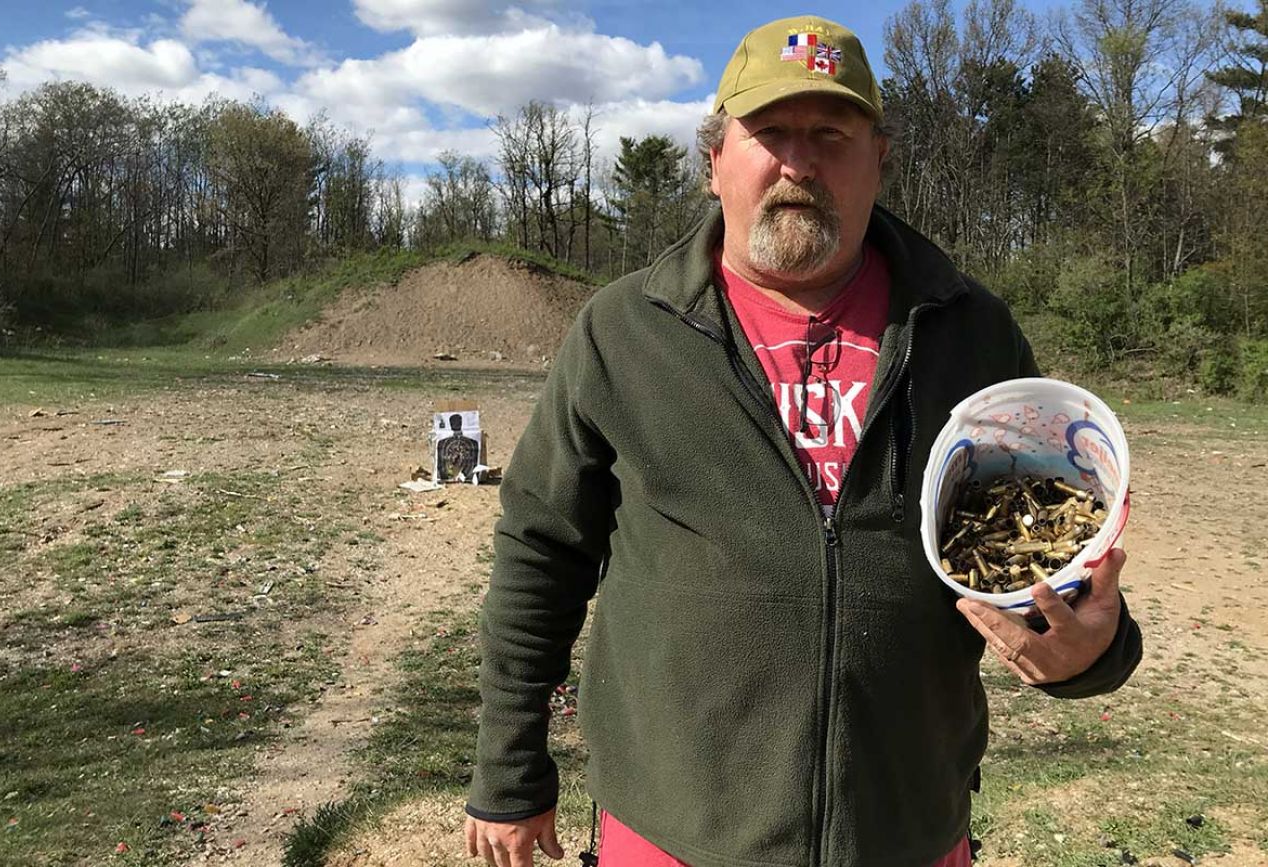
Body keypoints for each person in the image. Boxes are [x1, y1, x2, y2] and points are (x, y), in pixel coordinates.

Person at [464, 14, 1143, 867]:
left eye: (831, 133)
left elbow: (1045, 549)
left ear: (879, 159)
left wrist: (1094, 651)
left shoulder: (971, 334)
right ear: (715, 160)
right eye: (770, 132)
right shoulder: (623, 333)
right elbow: (540, 551)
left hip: (903, 829)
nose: (799, 161)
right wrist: (508, 769)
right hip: (674, 830)